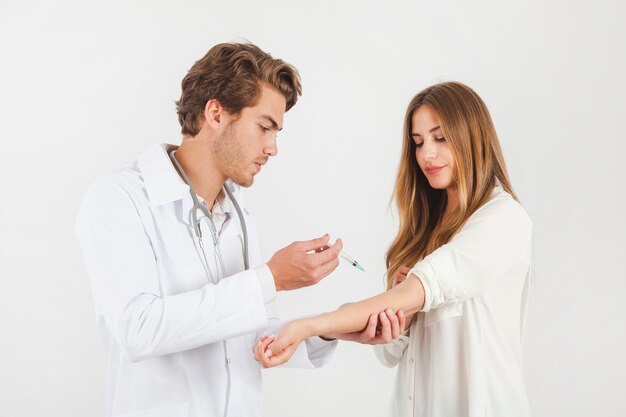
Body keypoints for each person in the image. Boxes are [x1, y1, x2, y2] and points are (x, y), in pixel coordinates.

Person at [76, 42, 366, 417]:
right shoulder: (120, 196)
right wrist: (270, 278)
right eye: (265, 127)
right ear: (215, 113)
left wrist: (329, 327)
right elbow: (138, 329)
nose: (273, 148)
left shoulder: (237, 210)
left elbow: (245, 329)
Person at [256, 81, 533, 417]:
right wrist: (401, 318)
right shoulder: (423, 231)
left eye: (440, 138)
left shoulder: (503, 219)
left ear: (473, 136)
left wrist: (309, 326)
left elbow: (425, 286)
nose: (426, 154)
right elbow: (389, 354)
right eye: (418, 143)